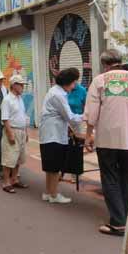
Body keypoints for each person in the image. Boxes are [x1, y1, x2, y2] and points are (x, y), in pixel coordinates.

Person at [84, 49, 128, 237]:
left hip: (107, 139)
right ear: (120, 60)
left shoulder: (100, 80)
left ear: (104, 64)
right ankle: (126, 219)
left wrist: (88, 135)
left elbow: (92, 113)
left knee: (110, 178)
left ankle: (118, 223)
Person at [39, 68, 83, 204]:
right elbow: (70, 117)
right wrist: (86, 116)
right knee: (55, 167)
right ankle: (53, 194)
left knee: (50, 167)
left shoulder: (54, 91)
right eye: (73, 83)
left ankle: (48, 192)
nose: (74, 86)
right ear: (67, 82)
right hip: (54, 135)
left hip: (50, 134)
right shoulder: (58, 95)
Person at [0, 75, 29, 193]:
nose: (22, 87)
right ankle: (6, 182)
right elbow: (5, 118)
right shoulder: (7, 100)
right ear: (14, 85)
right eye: (20, 85)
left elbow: (23, 116)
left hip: (21, 131)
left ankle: (14, 179)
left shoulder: (20, 99)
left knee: (18, 158)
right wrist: (10, 134)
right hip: (12, 130)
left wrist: (26, 132)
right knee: (9, 158)